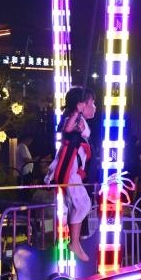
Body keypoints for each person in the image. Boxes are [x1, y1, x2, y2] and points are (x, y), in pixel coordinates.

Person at [47, 87, 96, 261]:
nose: (94, 107)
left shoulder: (81, 119)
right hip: (69, 169)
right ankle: (74, 242)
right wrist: (77, 112)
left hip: (75, 169)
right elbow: (68, 128)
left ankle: (75, 241)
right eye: (92, 103)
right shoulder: (73, 118)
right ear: (81, 104)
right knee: (82, 205)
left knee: (80, 205)